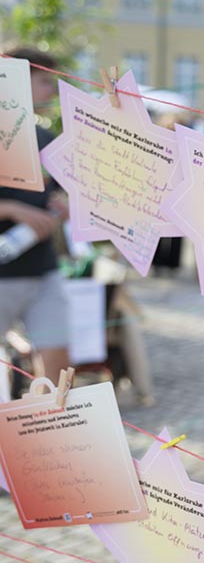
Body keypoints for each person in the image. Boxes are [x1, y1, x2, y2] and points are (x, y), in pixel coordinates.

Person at [0, 47, 71, 385]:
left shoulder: (44, 137)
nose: (51, 90)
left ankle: (48, 433)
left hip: (43, 270)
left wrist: (63, 206)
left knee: (58, 356)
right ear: (16, 82)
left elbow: (58, 193)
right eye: (44, 81)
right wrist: (13, 209)